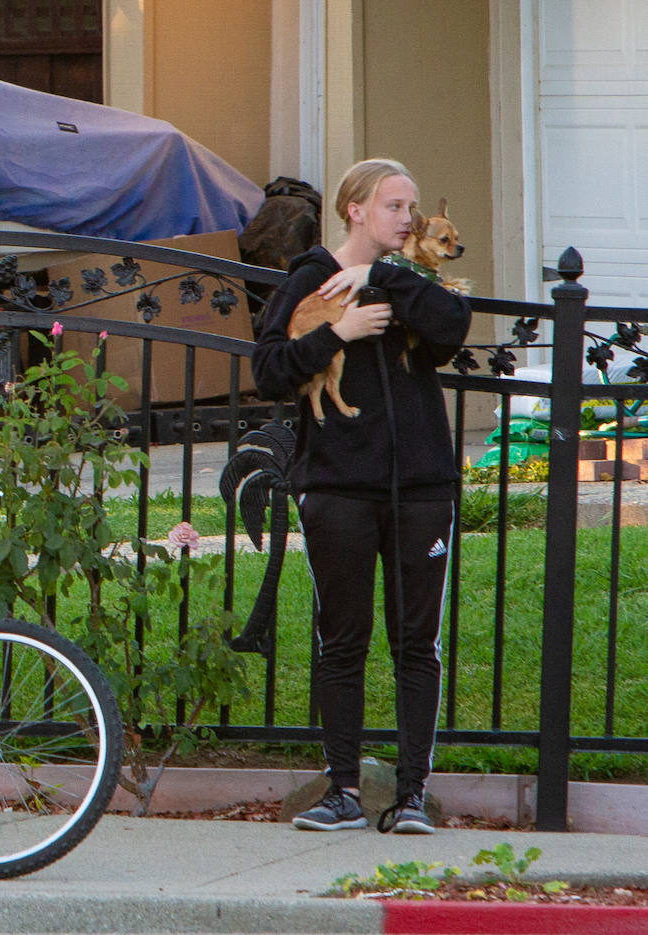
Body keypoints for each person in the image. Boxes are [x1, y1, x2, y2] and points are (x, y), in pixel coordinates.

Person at [250, 158, 471, 834]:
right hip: (339, 487)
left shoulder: (409, 279)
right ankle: (342, 790)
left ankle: (410, 794)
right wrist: (335, 334)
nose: (408, 218)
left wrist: (382, 276)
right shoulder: (308, 278)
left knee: (416, 643)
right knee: (342, 641)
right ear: (355, 209)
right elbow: (267, 371)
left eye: (410, 207)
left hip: (422, 488)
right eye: (394, 206)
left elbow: (451, 330)